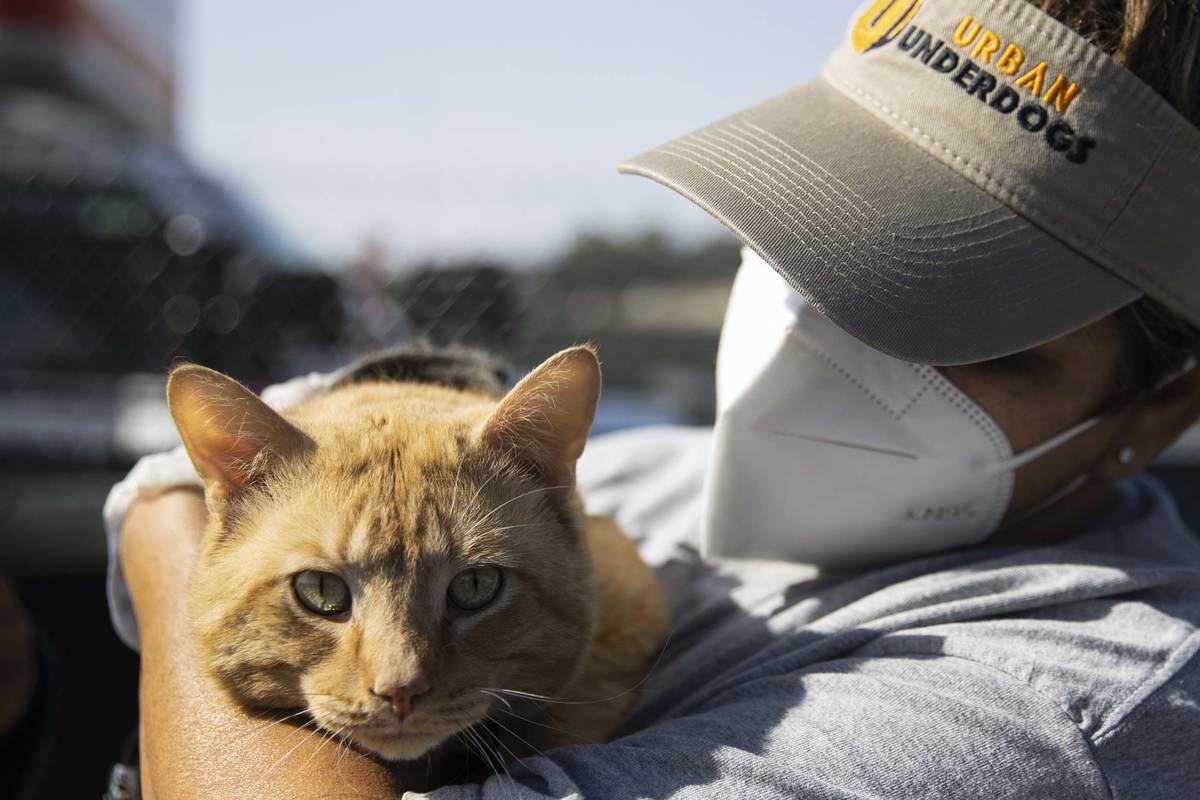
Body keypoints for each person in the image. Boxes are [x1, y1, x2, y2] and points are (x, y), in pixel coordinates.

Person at [110, 0, 1200, 797]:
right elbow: (198, 473)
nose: (827, 339)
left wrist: (174, 545)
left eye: (969, 330)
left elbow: (164, 509)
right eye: (806, 248)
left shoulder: (1067, 701)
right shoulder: (621, 464)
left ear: (1162, 410)